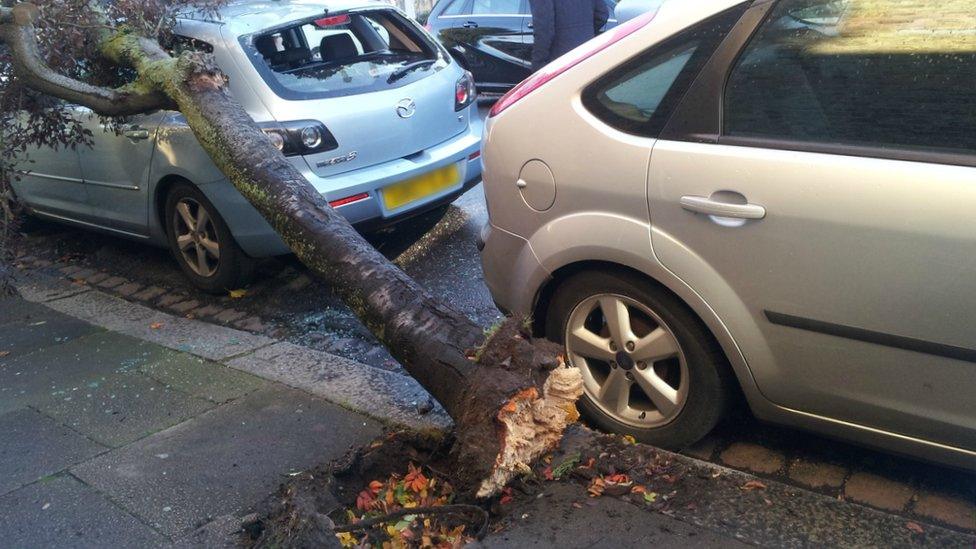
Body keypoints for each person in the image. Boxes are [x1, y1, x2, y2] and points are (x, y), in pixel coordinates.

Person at [529, 0, 611, 71]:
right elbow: (602, 15)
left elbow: (544, 28)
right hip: (587, 52)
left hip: (560, 60)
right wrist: (585, 33)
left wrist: (538, 63)